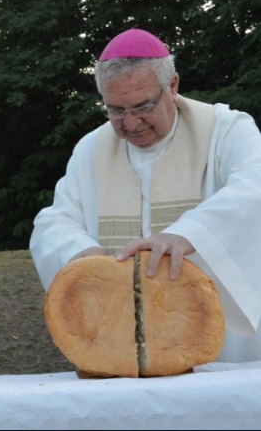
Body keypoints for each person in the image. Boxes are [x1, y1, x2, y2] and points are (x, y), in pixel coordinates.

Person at [31, 28, 261, 362]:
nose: (131, 123)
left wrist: (186, 234)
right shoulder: (92, 149)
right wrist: (82, 253)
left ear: (173, 86)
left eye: (143, 107)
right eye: (115, 110)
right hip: (120, 340)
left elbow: (255, 185)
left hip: (221, 343)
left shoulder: (226, 131)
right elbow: (55, 220)